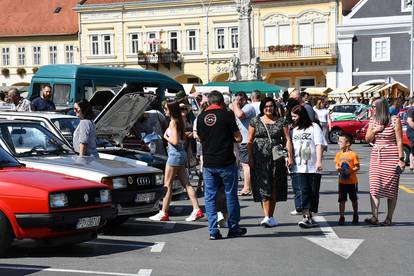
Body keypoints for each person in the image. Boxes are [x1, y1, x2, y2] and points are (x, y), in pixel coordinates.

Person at [196, 91, 246, 240]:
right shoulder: (227, 114)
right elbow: (238, 137)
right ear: (221, 102)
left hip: (209, 162)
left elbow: (199, 137)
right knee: (231, 195)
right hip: (226, 161)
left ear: (210, 102)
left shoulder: (200, 117)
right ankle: (233, 228)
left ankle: (213, 231)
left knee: (210, 197)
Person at [149, 100, 204, 222]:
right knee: (186, 183)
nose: (164, 111)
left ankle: (163, 212)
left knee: (167, 184)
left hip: (174, 154)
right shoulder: (179, 121)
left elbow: (174, 141)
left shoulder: (173, 122)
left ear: (170, 110)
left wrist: (165, 136)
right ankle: (196, 209)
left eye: (165, 109)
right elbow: (181, 138)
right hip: (180, 154)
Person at [247, 97, 293, 227]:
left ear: (275, 107)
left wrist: (290, 156)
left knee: (274, 185)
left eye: (271, 106)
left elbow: (287, 139)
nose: (269, 108)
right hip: (259, 157)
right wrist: (250, 157)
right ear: (262, 107)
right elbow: (249, 141)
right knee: (263, 185)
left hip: (277, 157)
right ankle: (267, 216)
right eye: (266, 106)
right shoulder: (255, 121)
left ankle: (269, 216)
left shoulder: (281, 121)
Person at [365, 98, 405, 226]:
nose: (372, 109)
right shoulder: (372, 120)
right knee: (374, 187)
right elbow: (367, 139)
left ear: (382, 107)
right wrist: (375, 130)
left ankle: (388, 218)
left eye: (374, 107)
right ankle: (374, 216)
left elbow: (399, 141)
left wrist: (401, 159)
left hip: (391, 156)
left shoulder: (394, 120)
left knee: (391, 189)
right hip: (377, 156)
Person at [290, 105, 326, 228]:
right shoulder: (293, 130)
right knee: (302, 190)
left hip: (312, 165)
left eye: (295, 116)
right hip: (297, 166)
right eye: (292, 117)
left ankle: (309, 216)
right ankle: (306, 217)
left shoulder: (314, 127)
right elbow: (289, 146)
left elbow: (319, 144)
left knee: (312, 191)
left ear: (302, 115)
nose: (293, 119)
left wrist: (319, 161)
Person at [232, 92, 256, 196]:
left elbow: (240, 115)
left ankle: (247, 188)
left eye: (239, 100)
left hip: (247, 140)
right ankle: (250, 187)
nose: (238, 102)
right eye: (236, 99)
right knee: (246, 165)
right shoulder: (241, 107)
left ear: (245, 100)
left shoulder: (248, 107)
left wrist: (235, 105)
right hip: (242, 140)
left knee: (246, 165)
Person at [335, 133, 360, 225]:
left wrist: (350, 171)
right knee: (341, 200)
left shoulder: (353, 154)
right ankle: (341, 216)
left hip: (352, 182)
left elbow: (357, 167)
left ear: (348, 143)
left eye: (341, 141)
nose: (339, 143)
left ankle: (355, 214)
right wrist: (338, 169)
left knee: (353, 199)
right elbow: (337, 165)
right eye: (339, 141)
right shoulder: (338, 154)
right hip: (342, 181)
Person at [407, 98, 414, 172]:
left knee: (412, 150)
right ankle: (412, 166)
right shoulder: (412, 109)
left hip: (411, 133)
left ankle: (412, 166)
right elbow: (409, 121)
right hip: (412, 133)